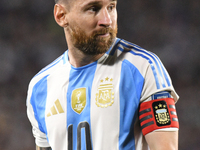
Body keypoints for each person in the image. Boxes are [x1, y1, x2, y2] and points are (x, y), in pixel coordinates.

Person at [26, 0, 179, 149]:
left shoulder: (143, 68)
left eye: (111, 7)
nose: (107, 20)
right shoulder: (40, 87)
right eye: (93, 8)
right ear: (61, 15)